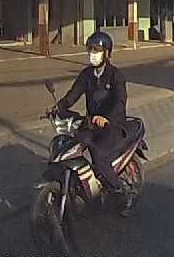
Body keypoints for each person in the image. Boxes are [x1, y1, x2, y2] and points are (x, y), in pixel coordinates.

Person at [51, 31, 129, 196]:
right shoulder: (87, 74)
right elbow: (73, 94)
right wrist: (59, 106)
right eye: (90, 49)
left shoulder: (116, 75)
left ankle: (120, 189)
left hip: (112, 125)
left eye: (97, 50)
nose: (92, 54)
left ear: (106, 53)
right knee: (73, 145)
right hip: (92, 124)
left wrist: (106, 118)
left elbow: (120, 102)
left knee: (99, 155)